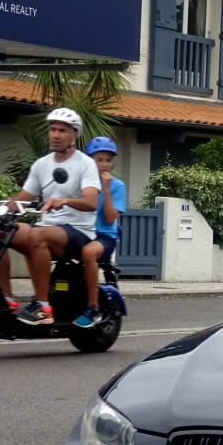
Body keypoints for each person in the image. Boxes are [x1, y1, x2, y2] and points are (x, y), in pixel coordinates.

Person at [0, 107, 100, 325]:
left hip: (78, 231)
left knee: (37, 235)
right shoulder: (42, 164)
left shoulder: (85, 164)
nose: (56, 135)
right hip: (48, 228)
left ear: (74, 134)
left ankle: (43, 308)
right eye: (52, 129)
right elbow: (22, 198)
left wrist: (65, 200)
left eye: (62, 130)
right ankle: (6, 300)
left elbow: (91, 202)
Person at [73, 137, 125, 328]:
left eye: (107, 160)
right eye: (99, 159)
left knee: (88, 253)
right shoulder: (81, 185)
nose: (104, 164)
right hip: (81, 232)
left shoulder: (117, 186)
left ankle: (92, 307)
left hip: (104, 237)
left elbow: (111, 219)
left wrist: (106, 189)